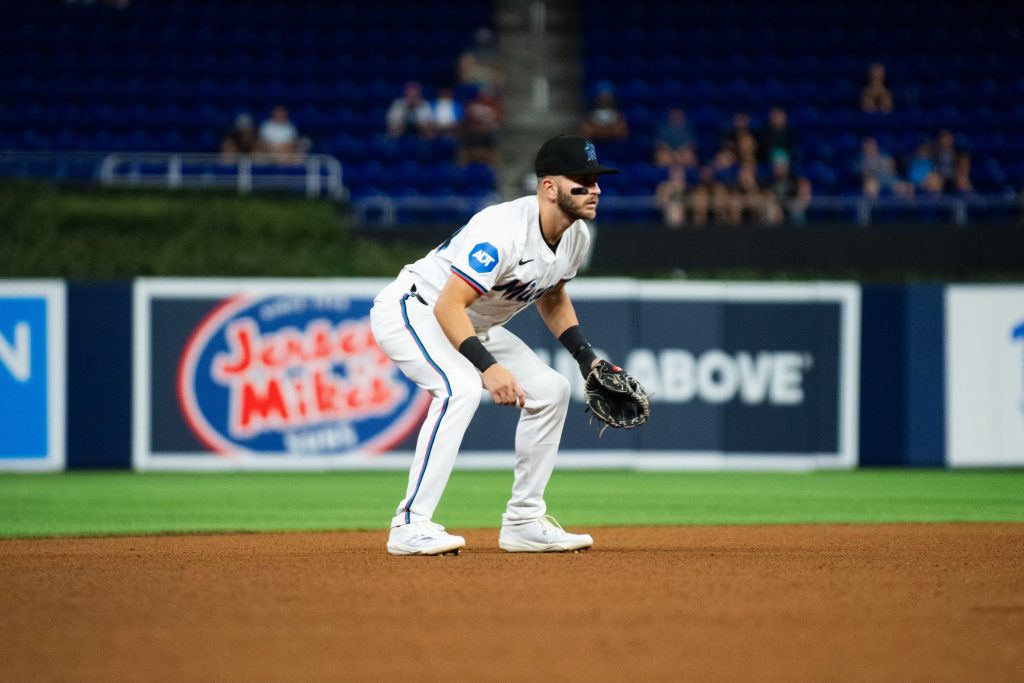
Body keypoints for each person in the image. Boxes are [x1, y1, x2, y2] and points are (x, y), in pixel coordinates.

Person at [370, 135, 620, 556]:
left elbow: (553, 295)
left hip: (470, 323)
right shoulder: (503, 230)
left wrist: (587, 359)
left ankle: (523, 521)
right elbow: (449, 305)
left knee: (552, 391)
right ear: (548, 187)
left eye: (596, 179)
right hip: (416, 309)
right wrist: (487, 367)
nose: (594, 188)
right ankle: (409, 524)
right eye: (581, 179)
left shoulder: (576, 237)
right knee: (460, 389)